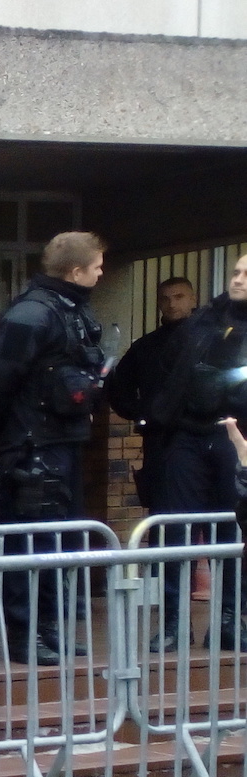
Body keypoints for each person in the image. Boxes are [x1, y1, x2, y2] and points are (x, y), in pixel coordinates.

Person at [0, 231, 110, 666]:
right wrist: (0, 432)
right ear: (76, 271)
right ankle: (23, 634)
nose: (102, 272)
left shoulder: (68, 309)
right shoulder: (31, 315)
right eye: (97, 266)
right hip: (33, 446)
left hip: (61, 442)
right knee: (26, 542)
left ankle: (48, 628)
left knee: (60, 541)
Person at [149, 254, 247, 647]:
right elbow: (173, 374)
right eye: (236, 272)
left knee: (233, 529)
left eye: (246, 275)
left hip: (236, 436)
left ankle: (227, 622)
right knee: (177, 529)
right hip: (188, 434)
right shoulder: (204, 320)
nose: (237, 279)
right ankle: (174, 623)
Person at [108, 275, 209, 650]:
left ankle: (230, 620)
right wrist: (145, 414)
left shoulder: (218, 339)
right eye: (165, 298)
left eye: (179, 296)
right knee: (170, 536)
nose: (172, 303)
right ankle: (173, 623)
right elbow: (117, 388)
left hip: (216, 444)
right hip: (166, 448)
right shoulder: (146, 348)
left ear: (193, 298)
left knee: (227, 535)